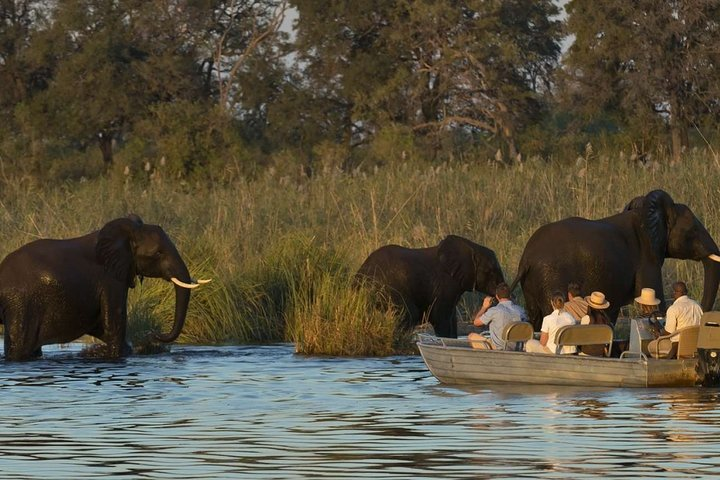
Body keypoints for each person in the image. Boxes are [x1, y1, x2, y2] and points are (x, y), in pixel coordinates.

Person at [647, 282, 703, 357]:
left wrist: (659, 334)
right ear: (686, 292)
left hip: (678, 346)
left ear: (674, 293)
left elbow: (669, 332)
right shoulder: (697, 305)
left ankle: (662, 363)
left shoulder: (673, 308)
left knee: (651, 346)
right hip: (695, 344)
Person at [468, 282, 528, 350]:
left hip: (499, 348)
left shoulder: (494, 310)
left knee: (471, 336)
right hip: (518, 348)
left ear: (497, 296)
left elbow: (476, 322)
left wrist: (484, 307)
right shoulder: (521, 310)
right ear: (510, 295)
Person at [579, 291, 611, 356]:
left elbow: (581, 336)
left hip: (586, 352)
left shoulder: (587, 318)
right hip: (600, 353)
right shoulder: (606, 320)